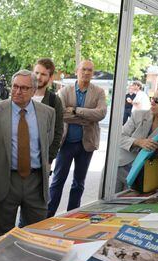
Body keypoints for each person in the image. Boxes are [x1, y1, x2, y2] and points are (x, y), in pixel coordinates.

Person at [0, 69, 55, 237]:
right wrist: (2, 158)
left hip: (36, 182)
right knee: (3, 235)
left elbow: (46, 142)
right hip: (5, 180)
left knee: (36, 233)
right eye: (15, 86)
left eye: (24, 88)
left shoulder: (47, 113)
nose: (17, 91)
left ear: (34, 91)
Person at [48, 60, 106, 217]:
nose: (86, 72)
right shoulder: (65, 91)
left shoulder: (99, 92)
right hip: (66, 143)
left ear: (93, 73)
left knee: (78, 184)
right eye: (84, 69)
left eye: (90, 70)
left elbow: (100, 114)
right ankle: (48, 215)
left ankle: (72, 216)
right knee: (57, 182)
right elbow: (60, 115)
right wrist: (87, 115)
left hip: (86, 144)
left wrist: (75, 110)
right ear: (77, 70)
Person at [116, 82, 158, 192]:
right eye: (152, 98)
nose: (153, 102)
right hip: (119, 167)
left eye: (157, 100)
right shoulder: (139, 114)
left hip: (144, 175)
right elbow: (118, 138)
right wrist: (138, 142)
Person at [32, 58, 64, 166]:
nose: (38, 77)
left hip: (41, 159)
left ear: (50, 78)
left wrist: (49, 158)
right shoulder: (21, 95)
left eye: (43, 74)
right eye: (36, 73)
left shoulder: (54, 101)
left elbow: (58, 132)